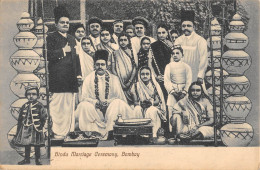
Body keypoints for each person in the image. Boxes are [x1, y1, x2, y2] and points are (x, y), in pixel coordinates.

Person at [75, 50, 133, 139]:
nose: (100, 67)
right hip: (95, 112)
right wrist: (96, 102)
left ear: (106, 66)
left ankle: (110, 131)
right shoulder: (88, 79)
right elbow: (84, 98)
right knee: (83, 105)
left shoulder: (114, 79)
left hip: (111, 111)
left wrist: (108, 102)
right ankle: (93, 132)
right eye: (98, 65)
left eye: (102, 65)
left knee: (118, 103)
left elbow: (119, 97)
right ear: (94, 66)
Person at [46, 6, 82, 139]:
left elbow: (77, 58)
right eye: (62, 22)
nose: (65, 25)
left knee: (69, 105)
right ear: (56, 24)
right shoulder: (50, 37)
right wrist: (62, 51)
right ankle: (57, 132)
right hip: (58, 78)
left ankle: (68, 131)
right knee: (57, 106)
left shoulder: (72, 39)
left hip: (71, 78)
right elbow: (47, 55)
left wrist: (79, 74)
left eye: (67, 22)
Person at [13, 87, 47, 165]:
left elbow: (44, 117)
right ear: (26, 95)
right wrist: (20, 128)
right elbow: (20, 118)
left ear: (37, 96)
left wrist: (40, 126)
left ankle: (37, 159)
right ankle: (26, 159)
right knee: (26, 144)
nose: (31, 96)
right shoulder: (24, 105)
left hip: (36, 128)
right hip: (25, 128)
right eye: (29, 94)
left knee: (37, 145)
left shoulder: (39, 105)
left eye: (34, 94)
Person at [174, 10, 208, 85]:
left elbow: (203, 59)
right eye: (183, 26)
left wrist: (200, 75)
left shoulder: (200, 40)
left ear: (194, 27)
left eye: (188, 26)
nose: (186, 28)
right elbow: (174, 58)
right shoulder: (178, 40)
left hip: (195, 76)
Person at [131, 66, 166, 137]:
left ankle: (152, 134)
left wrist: (150, 103)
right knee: (137, 109)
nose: (145, 76)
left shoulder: (154, 85)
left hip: (153, 106)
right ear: (139, 75)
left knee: (151, 110)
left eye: (147, 74)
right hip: (141, 106)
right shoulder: (135, 86)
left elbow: (157, 101)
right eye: (142, 74)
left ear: (150, 75)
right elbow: (135, 102)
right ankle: (139, 135)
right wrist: (142, 104)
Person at [164, 46, 192, 132]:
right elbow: (166, 80)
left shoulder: (186, 66)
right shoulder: (169, 66)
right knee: (171, 110)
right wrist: (173, 91)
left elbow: (189, 80)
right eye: (173, 54)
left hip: (183, 92)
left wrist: (184, 92)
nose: (175, 55)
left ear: (182, 55)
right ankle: (172, 131)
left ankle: (185, 131)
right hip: (173, 91)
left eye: (177, 53)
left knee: (184, 110)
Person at [112, 32, 137, 104]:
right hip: (119, 82)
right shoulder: (114, 53)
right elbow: (113, 69)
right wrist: (120, 82)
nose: (123, 42)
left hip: (132, 82)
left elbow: (135, 67)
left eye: (125, 40)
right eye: (121, 40)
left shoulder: (132, 52)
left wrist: (129, 82)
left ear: (129, 41)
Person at [151, 24, 174, 100]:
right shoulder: (153, 46)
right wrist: (156, 76)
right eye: (159, 33)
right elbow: (150, 63)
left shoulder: (172, 45)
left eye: (163, 32)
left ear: (167, 33)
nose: (161, 35)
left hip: (172, 76)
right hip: (160, 76)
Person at [77, 36, 95, 102]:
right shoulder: (78, 55)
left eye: (88, 43)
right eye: (84, 44)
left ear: (91, 44)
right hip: (81, 80)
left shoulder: (94, 55)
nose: (86, 45)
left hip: (92, 79)